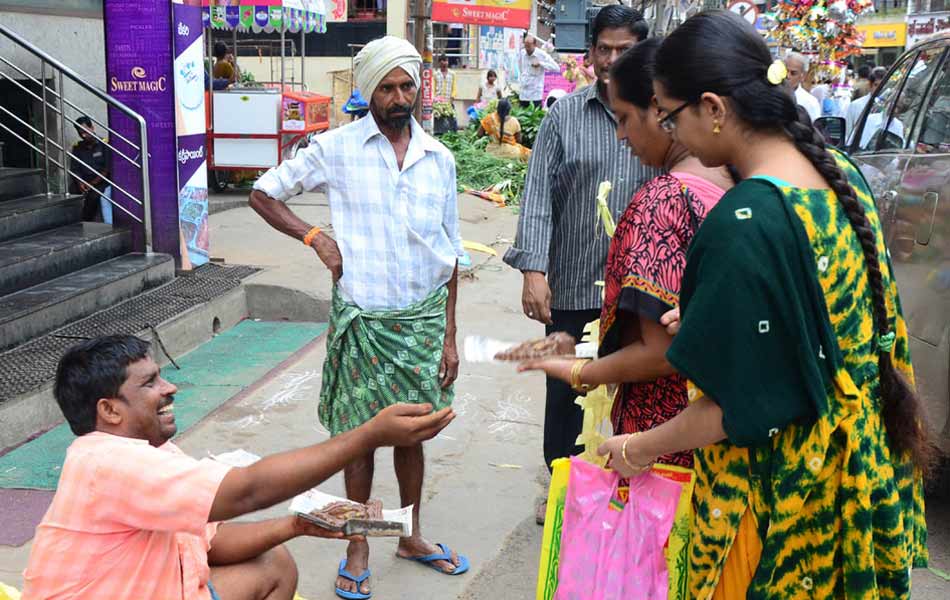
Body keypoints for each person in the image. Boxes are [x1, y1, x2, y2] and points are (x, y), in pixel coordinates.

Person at [597, 10, 930, 599]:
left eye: (672, 118)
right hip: (858, 481)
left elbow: (736, 408)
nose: (672, 135)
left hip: (779, 509)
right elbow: (810, 325)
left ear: (714, 108)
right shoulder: (841, 177)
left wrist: (635, 448)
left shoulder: (746, 218)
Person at [249, 36, 469, 599]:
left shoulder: (439, 159)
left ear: (418, 89)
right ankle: (360, 543)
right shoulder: (336, 148)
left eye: (407, 87)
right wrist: (315, 236)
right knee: (358, 440)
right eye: (387, 88)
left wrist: (448, 336)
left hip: (420, 322)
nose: (399, 99)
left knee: (412, 435)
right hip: (362, 323)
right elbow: (263, 192)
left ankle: (410, 535)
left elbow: (451, 252)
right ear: (368, 92)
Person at [22, 335, 454, 600]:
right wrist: (367, 436)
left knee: (275, 563)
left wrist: (299, 525)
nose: (170, 388)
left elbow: (208, 541)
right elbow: (248, 490)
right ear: (109, 411)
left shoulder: (147, 454)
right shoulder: (106, 461)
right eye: (151, 382)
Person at [518, 38, 731, 469]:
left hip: (666, 438)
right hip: (725, 430)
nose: (620, 134)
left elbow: (659, 353)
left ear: (659, 109)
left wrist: (579, 371)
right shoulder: (741, 183)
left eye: (624, 118)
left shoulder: (663, 201)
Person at [502, 5, 655, 524]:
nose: (613, 60)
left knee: (638, 385)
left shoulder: (660, 116)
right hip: (572, 282)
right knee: (568, 388)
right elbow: (538, 196)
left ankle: (628, 481)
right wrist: (533, 271)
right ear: (588, 55)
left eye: (626, 51)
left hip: (641, 289)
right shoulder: (563, 117)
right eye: (605, 49)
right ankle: (564, 483)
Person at [70, 116, 112, 224]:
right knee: (72, 193)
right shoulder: (77, 147)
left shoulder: (104, 145)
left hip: (100, 181)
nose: (83, 135)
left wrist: (92, 184)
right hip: (83, 181)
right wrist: (80, 182)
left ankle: (85, 221)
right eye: (80, 133)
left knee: (94, 196)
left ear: (92, 128)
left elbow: (107, 169)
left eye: (85, 131)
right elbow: (74, 168)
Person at [845, 66, 887, 143]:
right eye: (876, 85)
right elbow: (848, 133)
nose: (880, 89)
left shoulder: (890, 106)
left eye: (883, 86)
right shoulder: (856, 105)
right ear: (870, 85)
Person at [518, 33, 560, 108]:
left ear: (534, 45)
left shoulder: (542, 54)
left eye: (529, 46)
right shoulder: (522, 53)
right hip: (523, 94)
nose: (527, 49)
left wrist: (541, 64)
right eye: (525, 46)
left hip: (535, 95)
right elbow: (521, 68)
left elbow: (556, 68)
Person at [785, 51, 821, 121]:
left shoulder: (810, 102)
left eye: (793, 73)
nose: (787, 76)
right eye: (785, 71)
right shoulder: (770, 95)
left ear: (803, 76)